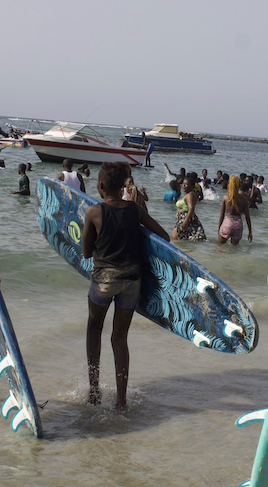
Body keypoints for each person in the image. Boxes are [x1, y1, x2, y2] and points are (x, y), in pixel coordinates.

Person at [82, 162, 170, 408]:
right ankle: (121, 400)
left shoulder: (94, 213)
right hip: (132, 283)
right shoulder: (136, 211)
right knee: (120, 338)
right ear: (123, 185)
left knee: (94, 330)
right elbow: (163, 236)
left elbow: (87, 252)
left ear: (100, 186)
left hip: (103, 283)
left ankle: (94, 391)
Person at [217, 175, 253, 244]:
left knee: (220, 246)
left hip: (228, 222)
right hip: (238, 224)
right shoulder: (244, 200)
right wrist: (250, 232)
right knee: (234, 249)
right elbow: (247, 217)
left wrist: (219, 228)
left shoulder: (226, 197)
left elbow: (222, 215)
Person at [172, 173, 206, 241]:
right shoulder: (186, 195)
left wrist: (186, 221)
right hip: (181, 219)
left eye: (186, 184)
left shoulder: (190, 195)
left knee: (176, 238)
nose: (184, 186)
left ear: (192, 186)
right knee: (181, 240)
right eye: (183, 184)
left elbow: (191, 208)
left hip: (187, 220)